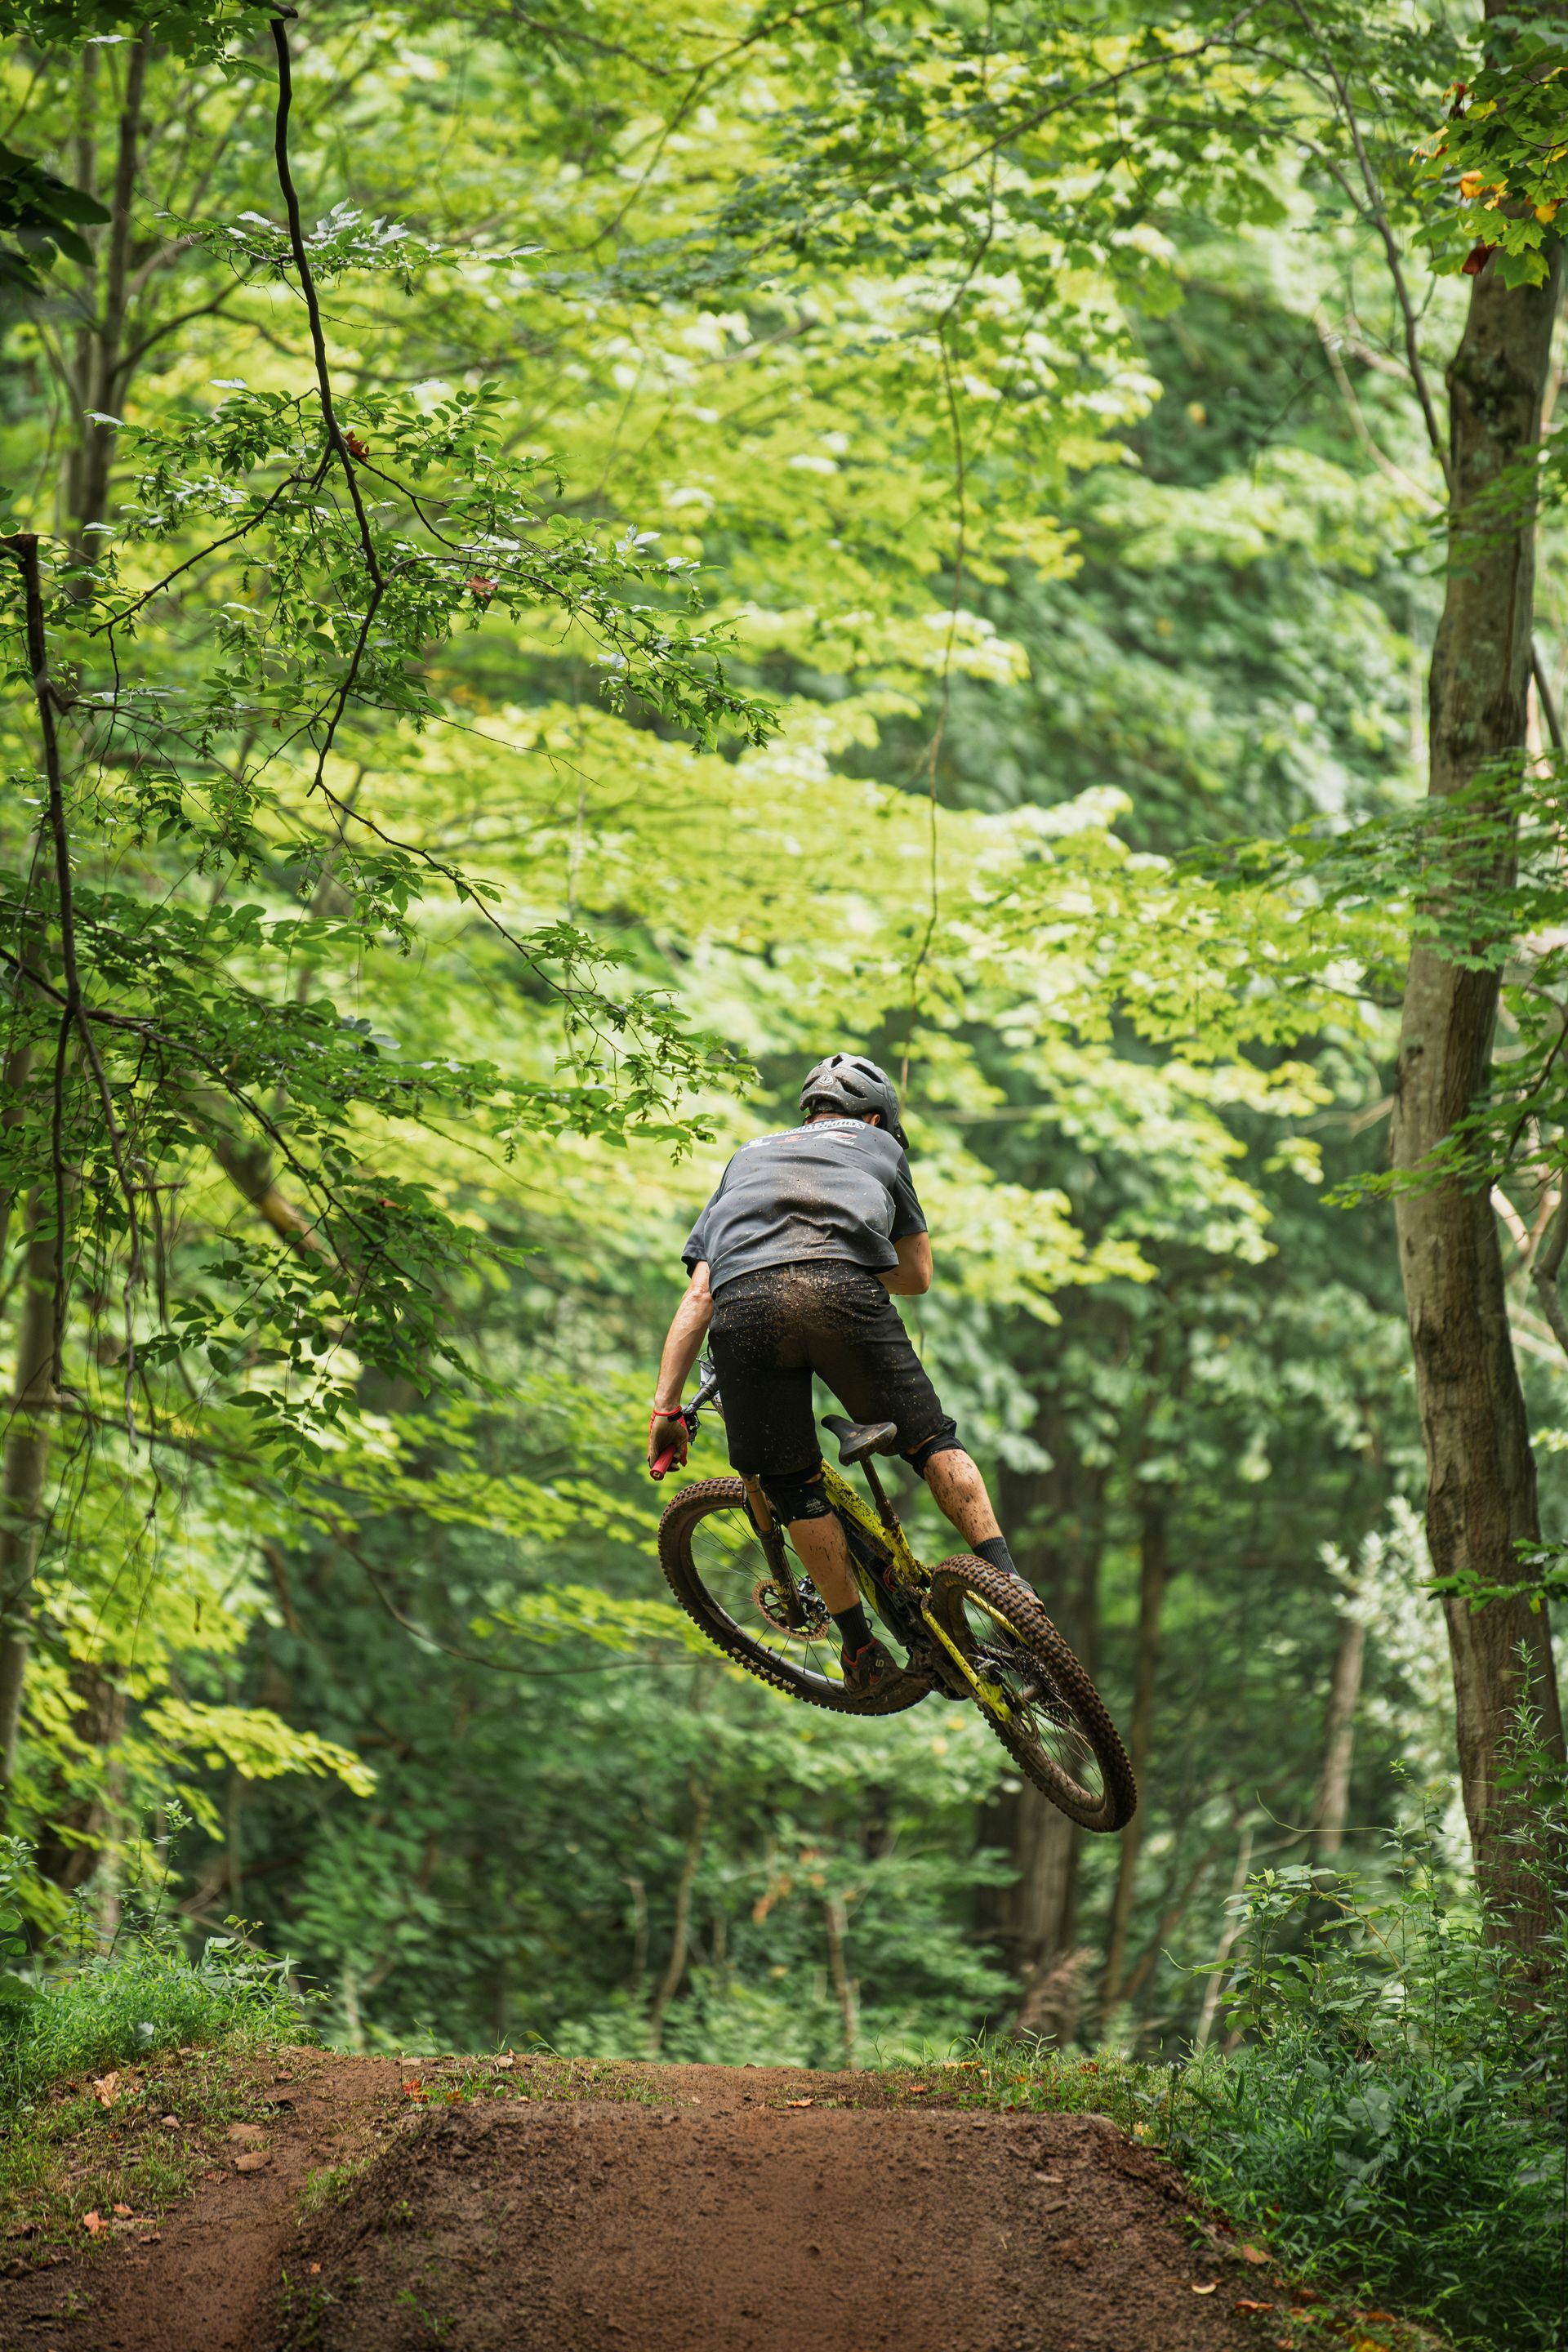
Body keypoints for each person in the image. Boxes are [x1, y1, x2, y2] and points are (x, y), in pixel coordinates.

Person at [648, 1052, 1022, 1696]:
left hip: (746, 1308)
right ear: (875, 1116)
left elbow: (698, 1300)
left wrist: (666, 1411)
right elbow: (918, 1276)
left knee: (792, 1487)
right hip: (843, 1289)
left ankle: (859, 1650)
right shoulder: (877, 1144)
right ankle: (1014, 1589)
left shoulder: (747, 1157)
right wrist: (839, 1255)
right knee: (932, 1441)